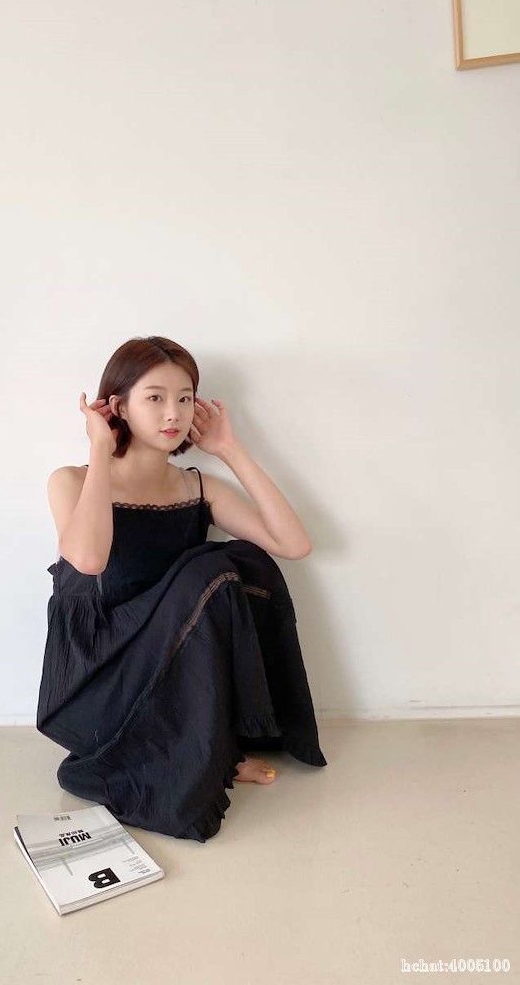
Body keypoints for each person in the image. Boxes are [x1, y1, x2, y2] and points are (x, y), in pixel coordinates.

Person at [36, 336, 327, 843]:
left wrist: (229, 450)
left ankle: (215, 745)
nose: (173, 413)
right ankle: (202, 754)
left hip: (170, 660)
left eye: (185, 398)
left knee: (243, 564)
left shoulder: (197, 486)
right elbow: (89, 559)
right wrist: (100, 449)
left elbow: (292, 544)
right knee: (207, 570)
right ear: (118, 407)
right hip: (101, 675)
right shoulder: (71, 480)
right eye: (154, 397)